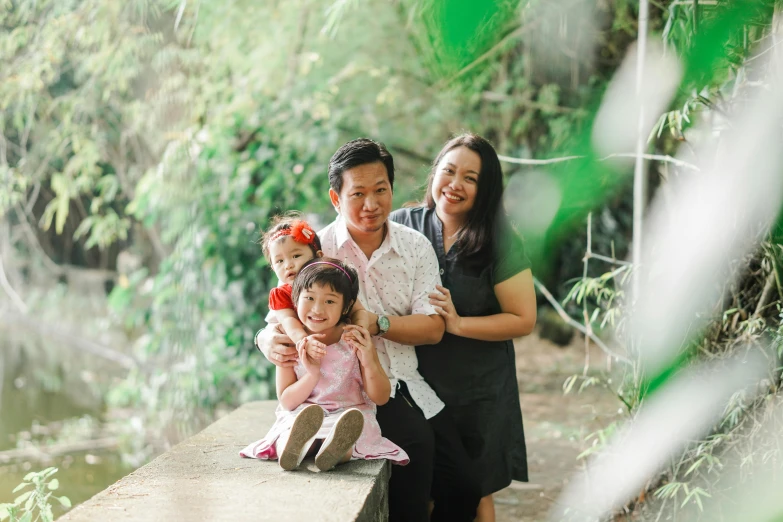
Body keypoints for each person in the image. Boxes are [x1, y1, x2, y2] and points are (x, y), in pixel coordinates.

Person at [255, 138, 481, 522]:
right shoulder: (313, 250)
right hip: (345, 388)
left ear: (392, 189)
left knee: (464, 487)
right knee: (413, 459)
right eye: (358, 193)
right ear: (335, 197)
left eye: (381, 190)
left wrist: (378, 323)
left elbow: (433, 329)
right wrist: (265, 340)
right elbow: (281, 309)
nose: (371, 204)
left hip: (405, 382)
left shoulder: (415, 247)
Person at [390, 133, 537, 522]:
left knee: (475, 492)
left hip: (478, 390)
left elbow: (523, 319)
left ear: (485, 189)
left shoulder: (498, 241)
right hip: (415, 385)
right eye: (449, 171)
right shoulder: (402, 226)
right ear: (434, 173)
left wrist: (457, 324)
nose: (455, 184)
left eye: (470, 178)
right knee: (423, 490)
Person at [240, 258, 408, 471]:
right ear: (295, 299)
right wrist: (311, 375)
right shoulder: (289, 342)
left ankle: (334, 451)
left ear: (346, 306)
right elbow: (287, 402)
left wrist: (367, 360)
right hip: (302, 413)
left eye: (330, 301)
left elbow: (381, 397)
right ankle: (292, 450)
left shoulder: (354, 339)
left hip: (349, 414)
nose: (317, 309)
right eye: (309, 298)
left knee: (350, 432)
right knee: (289, 430)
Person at [260, 214, 371, 355]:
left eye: (296, 256)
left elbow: (358, 310)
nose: (288, 265)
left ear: (318, 256)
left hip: (343, 349)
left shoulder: (331, 282)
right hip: (305, 353)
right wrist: (304, 342)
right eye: (280, 261)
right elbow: (289, 321)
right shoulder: (281, 294)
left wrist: (359, 328)